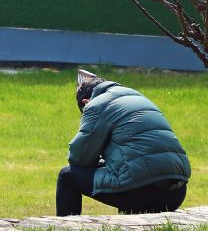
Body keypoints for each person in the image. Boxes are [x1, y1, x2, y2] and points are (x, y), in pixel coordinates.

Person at [56, 70, 190, 216]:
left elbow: (79, 157)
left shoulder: (95, 105)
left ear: (85, 102)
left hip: (142, 191)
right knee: (126, 172)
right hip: (177, 192)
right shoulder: (138, 97)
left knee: (67, 176)